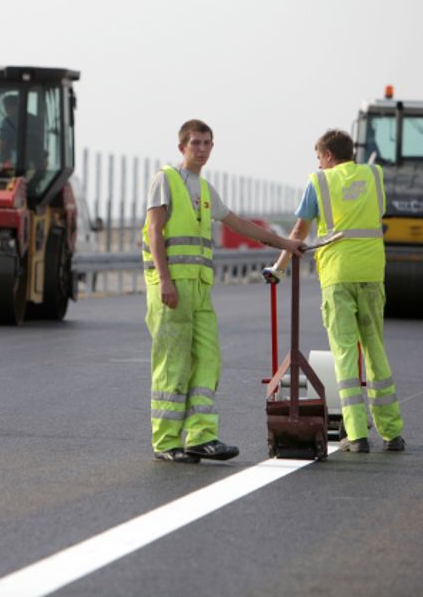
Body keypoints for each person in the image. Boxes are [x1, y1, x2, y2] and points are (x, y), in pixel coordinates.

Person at [143, 119, 305, 463]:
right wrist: (165, 280)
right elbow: (155, 231)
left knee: (208, 360)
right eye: (195, 143)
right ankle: (166, 442)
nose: (202, 149)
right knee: (173, 364)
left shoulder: (205, 190)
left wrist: (286, 244)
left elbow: (239, 224)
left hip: (200, 289)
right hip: (172, 288)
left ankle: (200, 436)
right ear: (182, 147)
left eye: (207, 143)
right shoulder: (165, 179)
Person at [267, 129, 405, 453]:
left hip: (338, 275)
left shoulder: (320, 182)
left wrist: (279, 267)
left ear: (328, 155)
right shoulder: (374, 175)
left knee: (345, 353)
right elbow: (376, 213)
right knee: (375, 349)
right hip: (372, 272)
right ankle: (392, 432)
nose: (319, 164)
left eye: (319, 158)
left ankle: (356, 435)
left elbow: (299, 230)